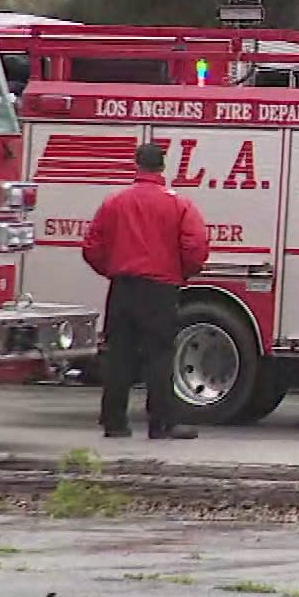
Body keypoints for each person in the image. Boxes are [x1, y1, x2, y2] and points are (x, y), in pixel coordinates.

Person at [83, 143, 210, 440]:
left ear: (136, 165)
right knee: (159, 354)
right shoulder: (179, 205)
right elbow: (195, 246)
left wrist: (112, 268)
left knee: (119, 355)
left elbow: (92, 246)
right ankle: (162, 422)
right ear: (162, 168)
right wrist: (183, 272)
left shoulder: (115, 203)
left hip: (123, 287)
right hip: (160, 289)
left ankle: (114, 422)